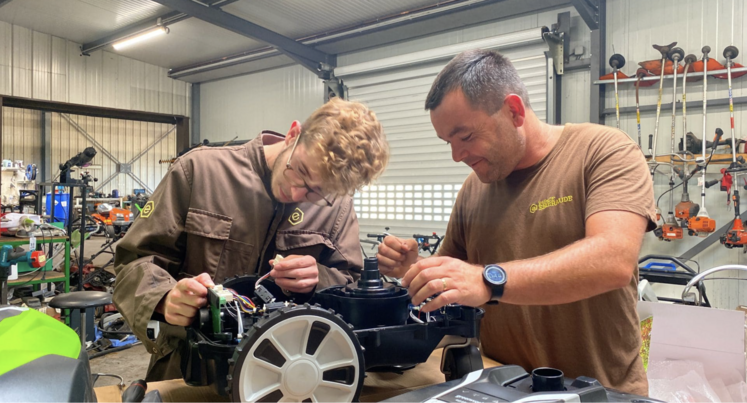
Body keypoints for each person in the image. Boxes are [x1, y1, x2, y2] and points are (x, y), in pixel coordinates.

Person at [376, 49, 656, 396]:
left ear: (514, 110)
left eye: (465, 137)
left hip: (601, 391)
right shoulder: (474, 189)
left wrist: (490, 280)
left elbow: (613, 260)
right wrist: (412, 268)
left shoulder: (603, 152)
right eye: (448, 142)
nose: (456, 155)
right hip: (502, 388)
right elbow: (454, 282)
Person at [113, 97, 389, 381]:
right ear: (294, 134)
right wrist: (164, 297)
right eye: (301, 172)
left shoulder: (338, 208)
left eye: (316, 193)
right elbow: (133, 262)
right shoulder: (199, 171)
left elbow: (355, 286)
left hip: (293, 375)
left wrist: (318, 277)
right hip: (192, 369)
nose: (296, 194)